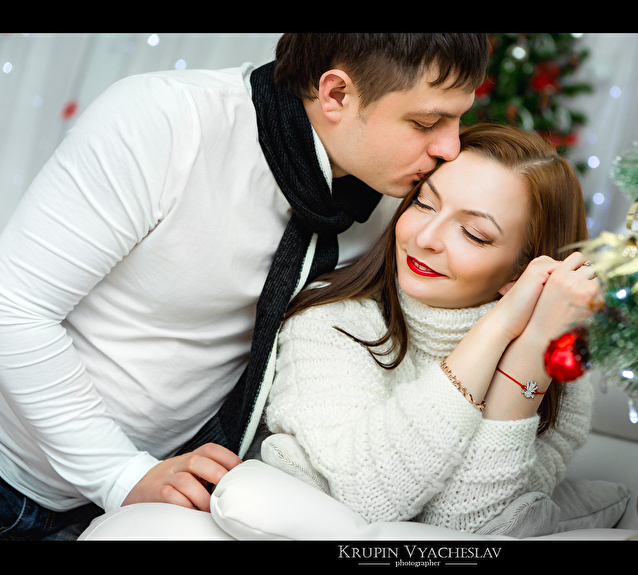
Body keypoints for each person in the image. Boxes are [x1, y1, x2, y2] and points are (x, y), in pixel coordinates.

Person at [0, 33, 490, 540]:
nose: (450, 147)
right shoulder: (169, 121)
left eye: (459, 119)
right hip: (15, 475)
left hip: (158, 505)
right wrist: (119, 475)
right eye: (425, 123)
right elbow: (13, 308)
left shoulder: (400, 199)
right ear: (336, 94)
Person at [264, 123, 598, 532]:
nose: (426, 238)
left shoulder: (560, 369)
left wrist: (532, 350)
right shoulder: (332, 320)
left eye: (474, 234)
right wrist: (498, 326)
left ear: (522, 271)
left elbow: (461, 528)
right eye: (424, 204)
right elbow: (370, 493)